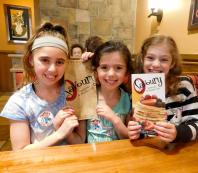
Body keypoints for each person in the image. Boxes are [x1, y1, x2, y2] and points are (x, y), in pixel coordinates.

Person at [0, 22, 85, 150]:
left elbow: (81, 141)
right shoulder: (20, 101)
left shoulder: (75, 93)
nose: (52, 69)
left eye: (59, 62)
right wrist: (59, 133)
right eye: (45, 60)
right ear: (31, 60)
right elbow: (20, 151)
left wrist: (92, 65)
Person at [128, 35, 198, 143]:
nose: (155, 64)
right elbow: (140, 130)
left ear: (172, 63)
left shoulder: (183, 86)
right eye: (150, 58)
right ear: (142, 59)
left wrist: (177, 133)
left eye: (164, 59)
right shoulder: (137, 88)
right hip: (147, 149)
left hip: (177, 150)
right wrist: (134, 132)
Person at [86, 40, 133, 143]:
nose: (111, 73)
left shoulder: (128, 99)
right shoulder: (87, 96)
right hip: (91, 156)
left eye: (118, 68)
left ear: (126, 73)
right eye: (104, 67)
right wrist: (82, 64)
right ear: (96, 71)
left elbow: (128, 138)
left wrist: (114, 118)